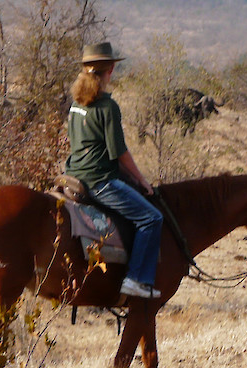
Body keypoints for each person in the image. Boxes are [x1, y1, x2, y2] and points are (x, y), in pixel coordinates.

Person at [65, 42, 163, 299]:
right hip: (99, 181)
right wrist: (141, 180)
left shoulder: (76, 103)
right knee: (152, 219)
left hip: (73, 176)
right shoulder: (108, 107)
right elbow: (118, 153)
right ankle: (136, 279)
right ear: (110, 71)